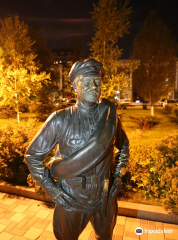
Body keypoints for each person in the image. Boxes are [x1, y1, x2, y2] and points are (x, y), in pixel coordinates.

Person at [25, 58, 129, 240]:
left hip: (104, 197)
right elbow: (32, 156)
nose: (94, 86)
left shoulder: (110, 117)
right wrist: (52, 189)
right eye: (87, 82)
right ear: (75, 86)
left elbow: (124, 146)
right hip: (71, 197)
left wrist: (119, 175)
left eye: (98, 82)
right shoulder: (59, 119)